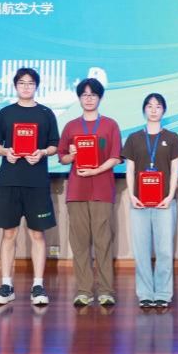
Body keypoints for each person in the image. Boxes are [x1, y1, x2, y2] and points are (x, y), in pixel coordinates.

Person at [0, 67, 61, 306]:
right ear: (15, 86)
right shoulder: (5, 113)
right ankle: (6, 285)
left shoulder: (46, 113)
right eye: (22, 82)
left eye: (30, 83)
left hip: (36, 181)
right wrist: (6, 152)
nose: (26, 86)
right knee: (8, 234)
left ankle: (38, 285)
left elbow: (54, 145)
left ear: (36, 86)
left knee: (37, 234)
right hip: (10, 179)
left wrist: (42, 152)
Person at [58, 77, 122, 307]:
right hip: (77, 190)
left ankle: (106, 291)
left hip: (102, 189)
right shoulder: (71, 126)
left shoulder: (110, 125)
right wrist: (72, 155)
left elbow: (116, 157)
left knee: (103, 242)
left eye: (93, 95)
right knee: (80, 243)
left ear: (100, 98)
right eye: (84, 95)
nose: (88, 99)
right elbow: (62, 157)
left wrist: (96, 169)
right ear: (79, 98)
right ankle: (84, 290)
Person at [121, 93, 178, 309]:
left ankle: (163, 294)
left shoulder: (172, 138)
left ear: (164, 110)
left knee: (165, 250)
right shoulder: (133, 138)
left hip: (165, 203)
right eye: (149, 106)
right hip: (139, 203)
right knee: (141, 251)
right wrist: (132, 195)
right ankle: (145, 293)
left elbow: (175, 170)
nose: (154, 110)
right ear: (144, 110)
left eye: (158, 106)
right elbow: (129, 169)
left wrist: (170, 195)